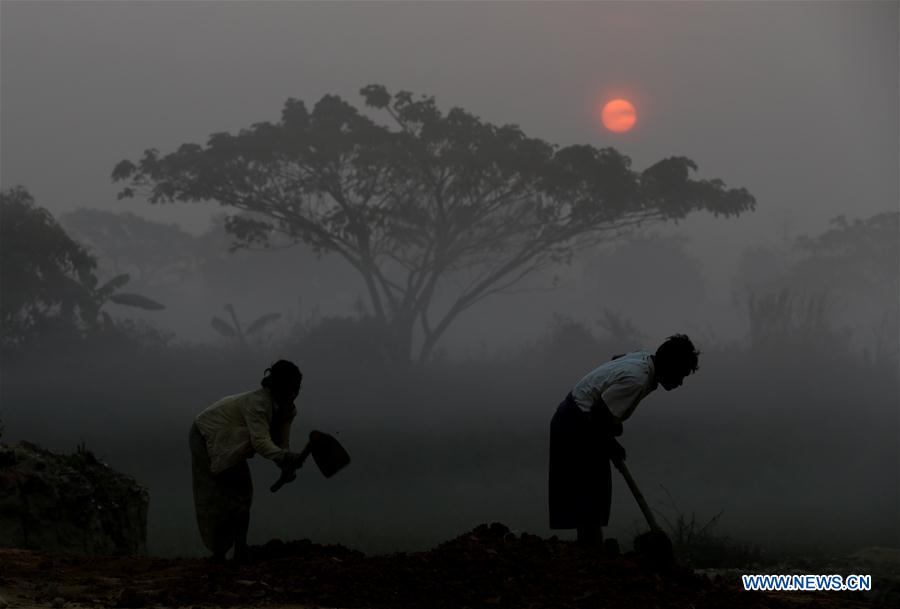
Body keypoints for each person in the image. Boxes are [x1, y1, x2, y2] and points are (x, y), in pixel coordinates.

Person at [548, 334, 699, 546]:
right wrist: (612, 443)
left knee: (593, 496)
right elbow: (599, 414)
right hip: (576, 424)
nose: (680, 382)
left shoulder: (644, 357)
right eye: (680, 375)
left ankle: (591, 552)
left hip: (581, 418)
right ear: (669, 366)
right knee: (589, 496)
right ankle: (592, 555)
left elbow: (615, 359)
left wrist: (614, 420)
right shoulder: (637, 379)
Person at [189, 359, 307, 562]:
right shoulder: (258, 403)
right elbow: (261, 442)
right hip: (207, 433)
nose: (294, 393)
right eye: (291, 388)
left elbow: (280, 442)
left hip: (233, 439)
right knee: (225, 494)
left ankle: (234, 552)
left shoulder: (288, 409)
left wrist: (286, 463)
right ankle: (228, 552)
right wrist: (286, 457)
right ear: (279, 387)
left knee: (240, 494)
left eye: (297, 388)